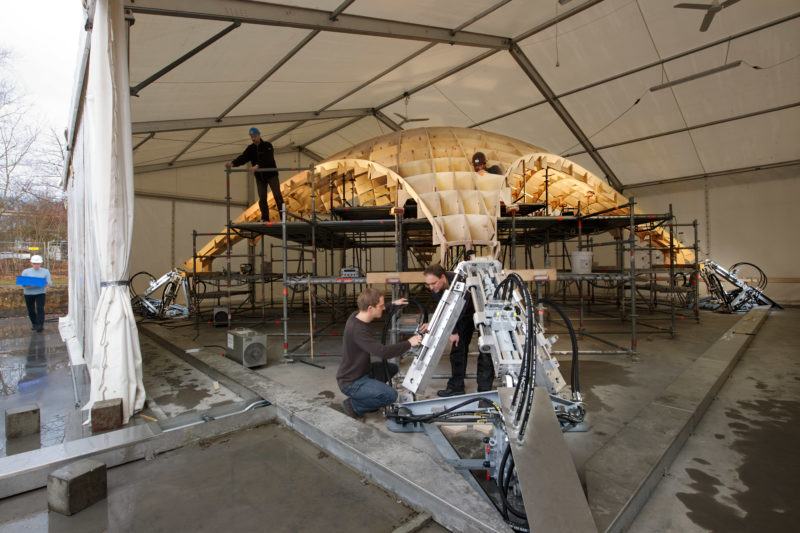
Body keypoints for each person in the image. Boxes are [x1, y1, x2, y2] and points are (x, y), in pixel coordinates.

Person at [337, 287, 423, 420]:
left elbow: (377, 307)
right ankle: (353, 405)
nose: (384, 308)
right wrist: (409, 343)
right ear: (370, 308)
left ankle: (369, 396)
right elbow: (383, 352)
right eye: (381, 306)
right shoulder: (358, 330)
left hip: (361, 371)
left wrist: (393, 304)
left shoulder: (356, 315)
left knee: (392, 369)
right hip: (352, 382)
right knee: (390, 395)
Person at [420, 264, 494, 396]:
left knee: (485, 349)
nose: (431, 287)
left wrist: (453, 331)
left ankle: (484, 391)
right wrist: (433, 322)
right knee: (457, 348)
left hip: (480, 310)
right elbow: (444, 307)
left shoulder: (461, 281)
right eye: (429, 284)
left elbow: (460, 309)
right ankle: (456, 386)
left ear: (443, 277)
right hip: (462, 316)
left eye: (434, 283)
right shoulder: (436, 288)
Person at [225, 127, 284, 222]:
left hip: (271, 175)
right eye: (252, 137)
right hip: (260, 177)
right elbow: (243, 157)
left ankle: (283, 217)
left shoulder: (267, 145)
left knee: (277, 195)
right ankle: (265, 218)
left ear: (259, 135)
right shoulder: (251, 148)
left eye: (255, 136)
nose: (253, 138)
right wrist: (233, 163)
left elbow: (268, 158)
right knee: (262, 197)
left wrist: (258, 166)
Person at [20, 255, 51, 332]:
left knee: (40, 308)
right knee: (31, 309)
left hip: (41, 293)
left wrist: (44, 283)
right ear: (31, 263)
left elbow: (49, 282)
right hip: (28, 294)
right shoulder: (26, 272)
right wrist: (38, 283)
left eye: (38, 263)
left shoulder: (45, 271)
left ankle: (40, 325)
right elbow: (24, 285)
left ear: (41, 263)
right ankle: (34, 324)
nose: (36, 265)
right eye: (34, 263)